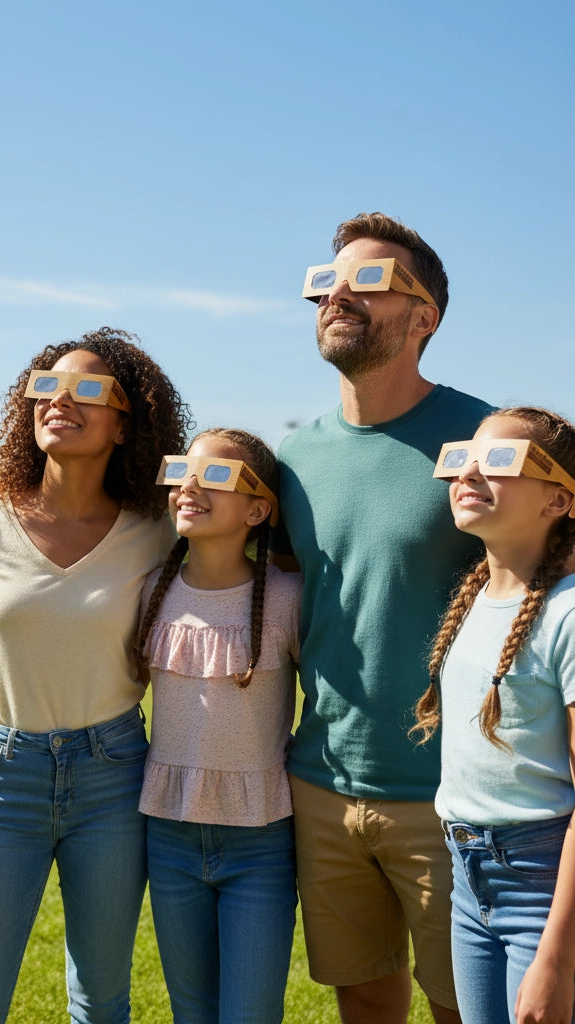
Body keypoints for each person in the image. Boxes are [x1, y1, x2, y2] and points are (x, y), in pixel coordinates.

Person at [0, 327, 192, 1024]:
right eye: (46, 385)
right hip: (2, 779)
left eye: (87, 389)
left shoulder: (159, 531)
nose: (59, 399)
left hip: (115, 777)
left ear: (126, 423)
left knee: (101, 1003)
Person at [272, 212, 495, 1024]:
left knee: (464, 1007)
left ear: (423, 316)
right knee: (364, 999)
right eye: (326, 281)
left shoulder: (485, 441)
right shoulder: (292, 462)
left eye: (368, 281)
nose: (337, 294)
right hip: (321, 785)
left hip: (455, 795)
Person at [411, 407, 575, 1024]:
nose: (471, 472)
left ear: (558, 499)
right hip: (467, 878)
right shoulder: (476, 596)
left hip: (542, 887)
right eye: (462, 458)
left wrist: (557, 960)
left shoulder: (568, 615)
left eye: (500, 461)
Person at [134, 428, 301, 1024]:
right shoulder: (151, 590)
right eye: (184, 472)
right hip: (168, 838)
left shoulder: (287, 597)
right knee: (191, 1012)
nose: (191, 486)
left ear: (258, 509)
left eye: (217, 475)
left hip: (261, 843)